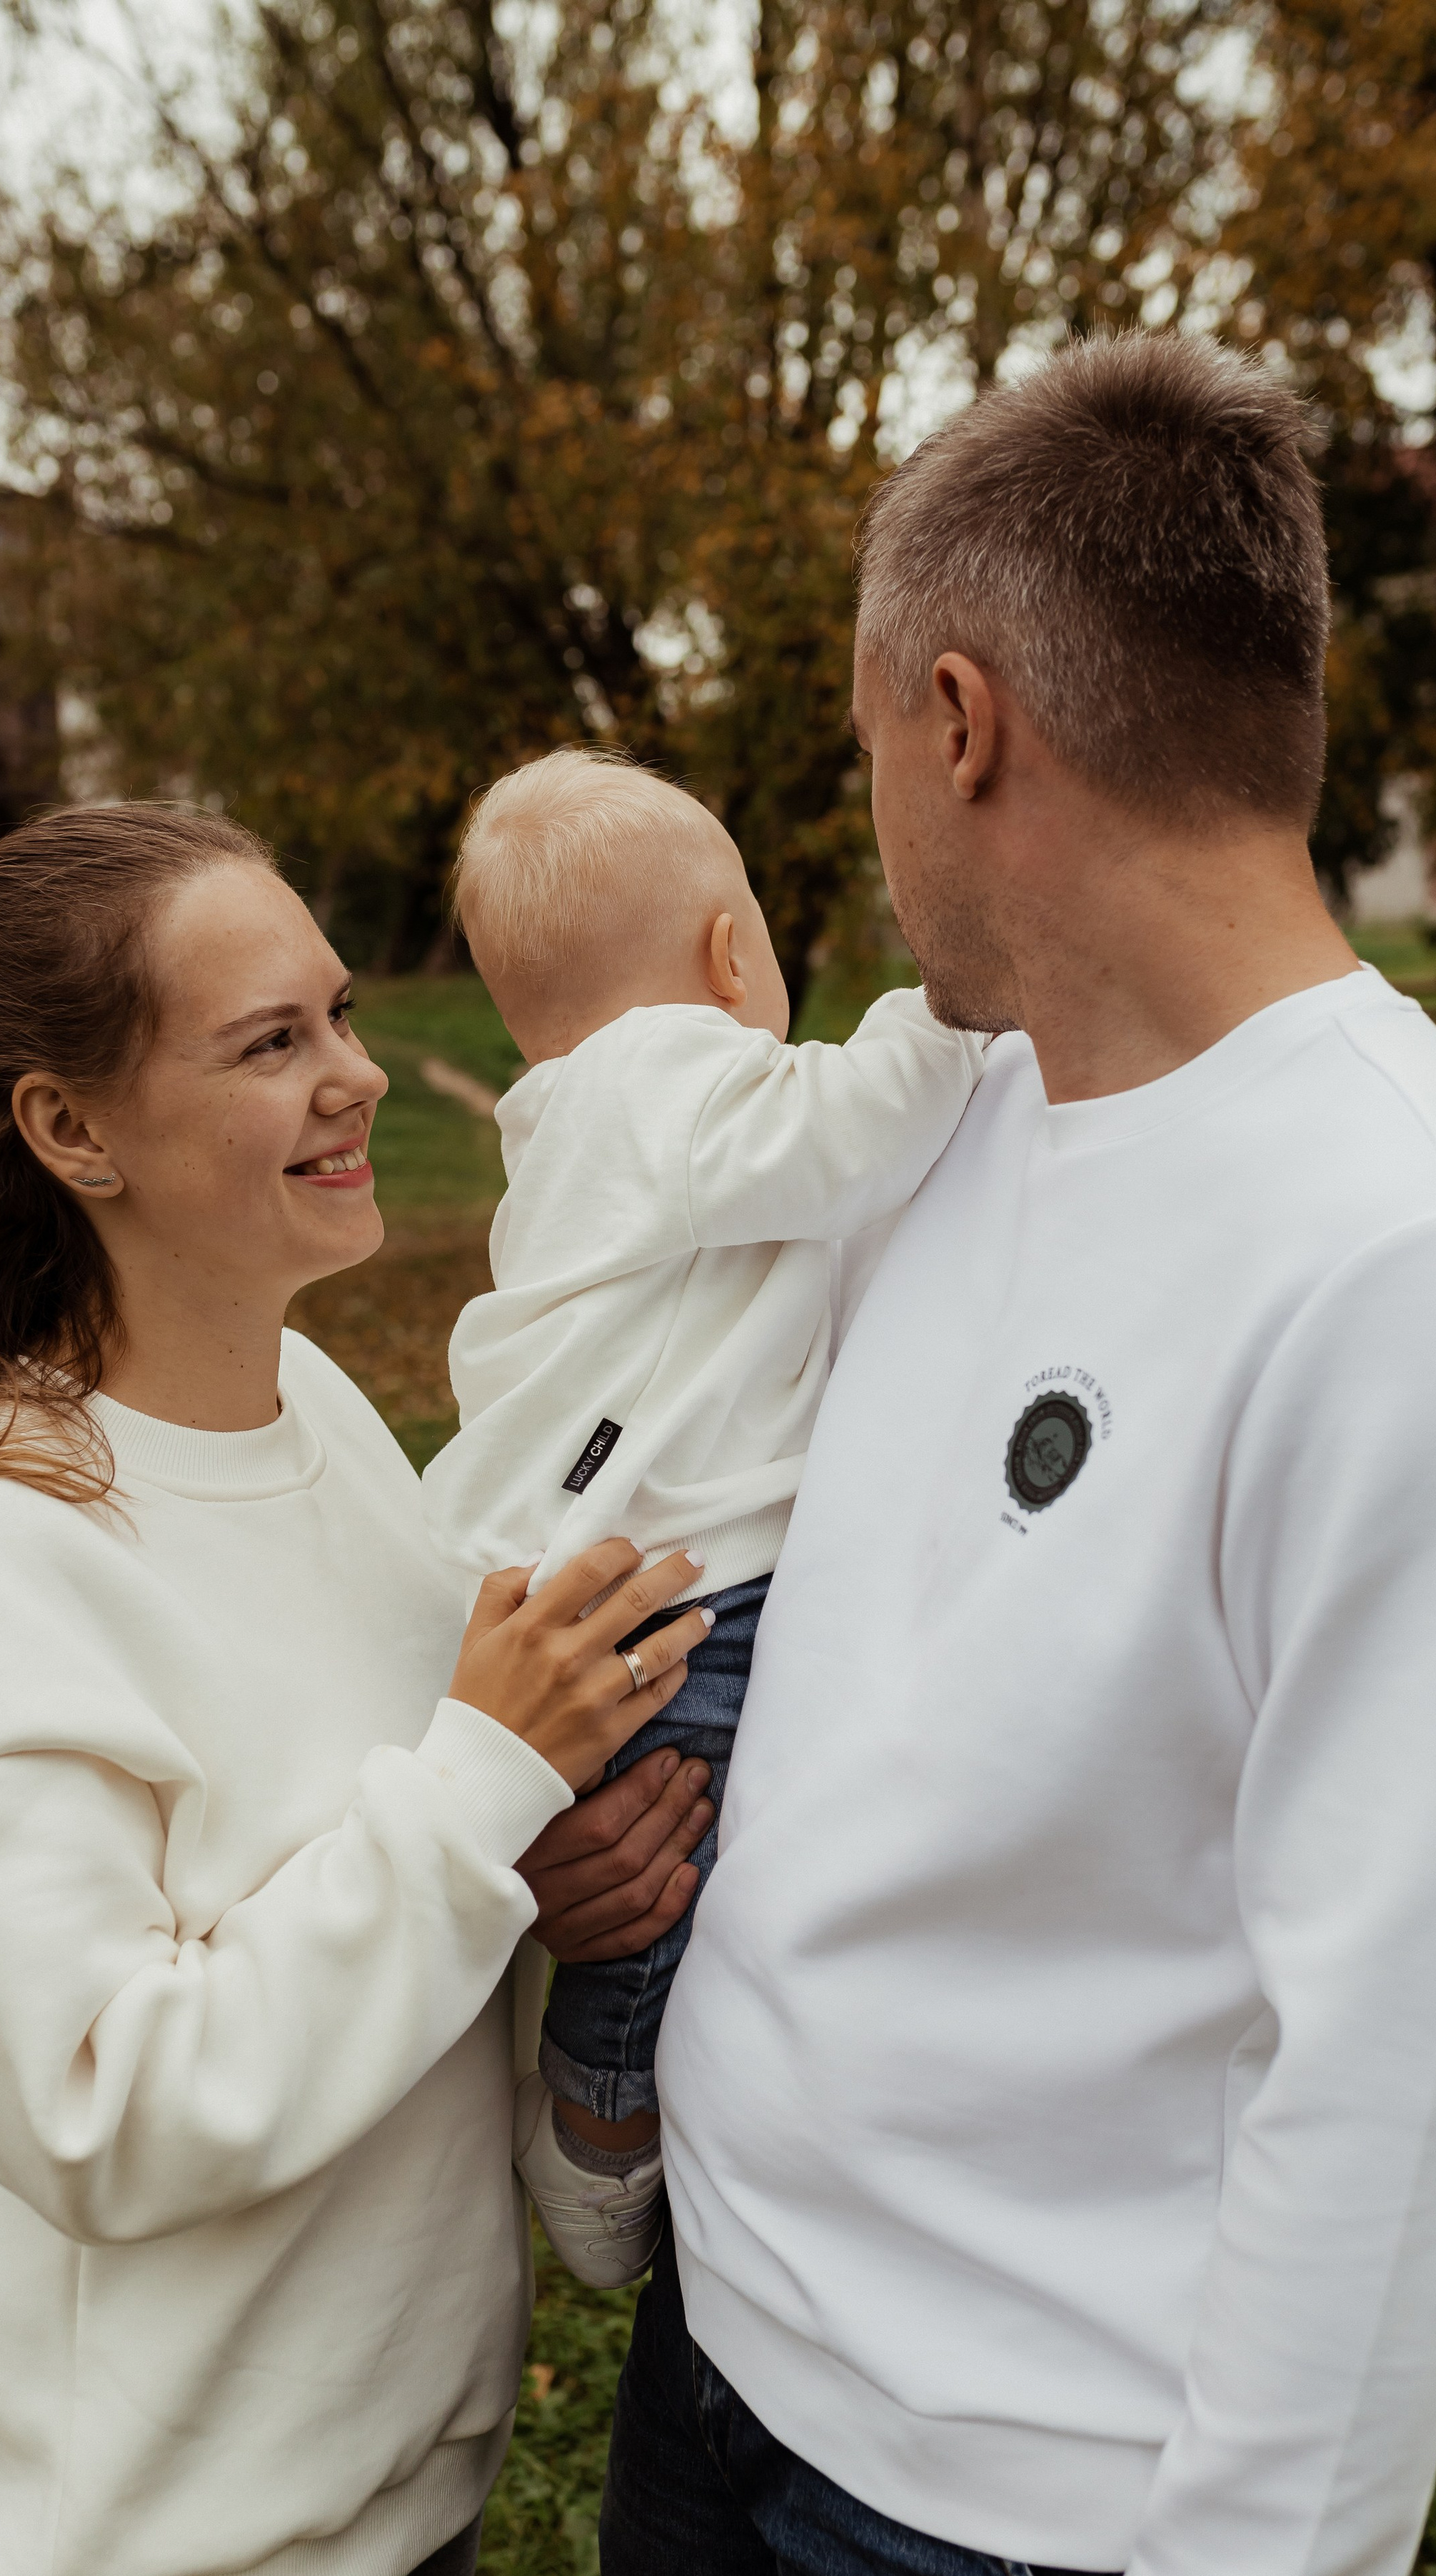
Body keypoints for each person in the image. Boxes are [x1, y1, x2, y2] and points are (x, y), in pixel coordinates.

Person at [593, 332, 1436, 2576]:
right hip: (719, 2372)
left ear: (964, 719)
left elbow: (1412, 2086)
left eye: (873, 742)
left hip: (1008, 2563)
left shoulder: (1426, 1262)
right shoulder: (957, 1118)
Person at [0, 803, 717, 2576]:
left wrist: (536, 1875)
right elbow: (108, 2109)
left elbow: (386, 1879)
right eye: (268, 1042)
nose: (354, 1076)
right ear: (69, 1130)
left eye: (339, 1015)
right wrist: (477, 1800)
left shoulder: (330, 1416)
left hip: (394, 2499)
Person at [421, 748, 980, 2284]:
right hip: (667, 1595)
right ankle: (597, 2137)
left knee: (659, 1857)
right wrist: (948, 997)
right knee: (668, 1873)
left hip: (576, 1568)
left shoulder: (575, 1120)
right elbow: (856, 1125)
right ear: (732, 956)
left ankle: (609, 2107)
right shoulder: (668, 1080)